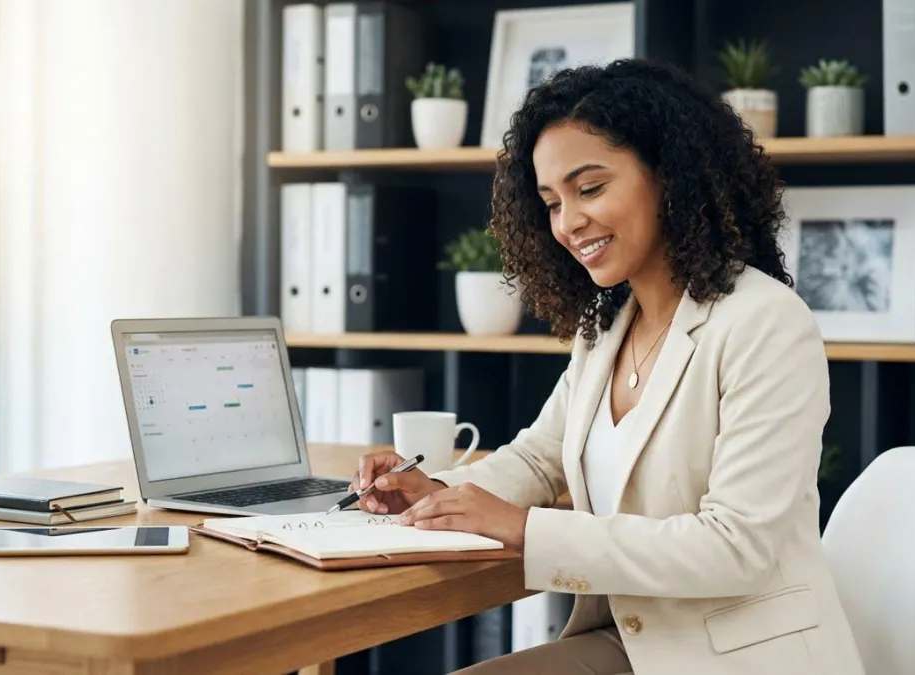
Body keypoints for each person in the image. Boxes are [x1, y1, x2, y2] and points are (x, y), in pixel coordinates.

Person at [350, 58, 866, 675]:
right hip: (634, 645)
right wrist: (434, 495)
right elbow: (540, 456)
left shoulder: (766, 323)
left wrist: (527, 530)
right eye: (551, 202)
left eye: (590, 188)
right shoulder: (608, 325)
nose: (568, 223)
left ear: (670, 177)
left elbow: (738, 546)